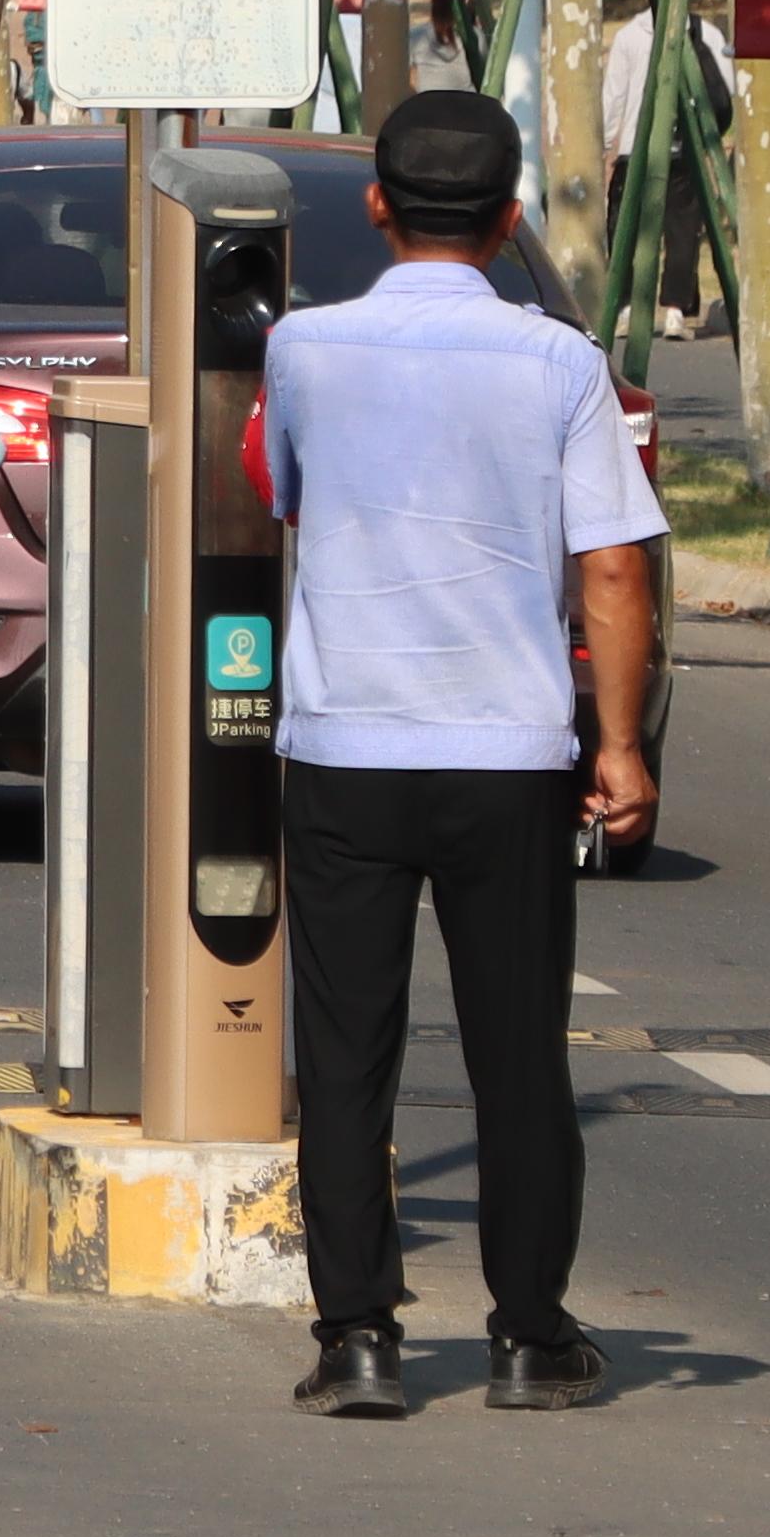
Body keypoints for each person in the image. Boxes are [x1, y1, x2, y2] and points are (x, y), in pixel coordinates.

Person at [268, 83, 664, 1421]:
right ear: (507, 222)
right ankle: (530, 1337)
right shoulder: (561, 364)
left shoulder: (304, 351)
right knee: (517, 1053)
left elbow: (289, 498)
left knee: (344, 1052)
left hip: (345, 744)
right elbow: (612, 569)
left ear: (378, 209)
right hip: (507, 753)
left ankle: (359, 1338)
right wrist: (620, 746)